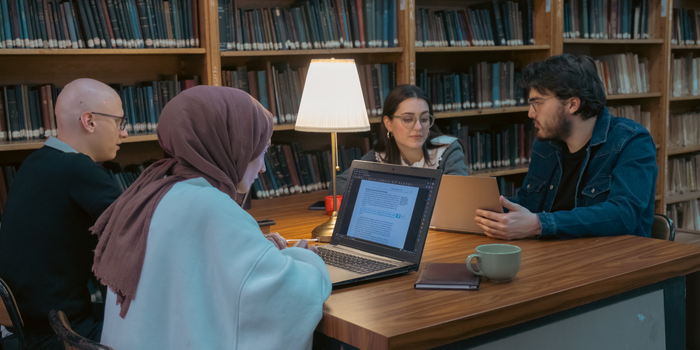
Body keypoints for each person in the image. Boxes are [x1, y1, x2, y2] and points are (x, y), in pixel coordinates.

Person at [92, 86, 331, 350]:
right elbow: (290, 296)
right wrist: (307, 257)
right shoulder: (209, 205)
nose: (263, 167)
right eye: (260, 151)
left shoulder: (154, 187)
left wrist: (259, 251)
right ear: (233, 146)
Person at [0, 78, 127, 349]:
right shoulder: (78, 169)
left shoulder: (35, 161)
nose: (124, 133)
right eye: (119, 122)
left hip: (27, 327)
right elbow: (136, 226)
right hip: (62, 332)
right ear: (89, 121)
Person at [475, 54, 657, 239]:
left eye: (536, 103)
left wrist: (539, 224)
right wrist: (483, 212)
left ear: (572, 104)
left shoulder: (632, 141)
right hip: (557, 257)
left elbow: (623, 215)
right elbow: (529, 203)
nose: (530, 113)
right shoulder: (545, 144)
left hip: (616, 260)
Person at [335, 84, 468, 193]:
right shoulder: (379, 156)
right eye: (408, 119)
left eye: (424, 119)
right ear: (388, 123)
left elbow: (459, 196)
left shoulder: (447, 150)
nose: (418, 127)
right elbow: (338, 185)